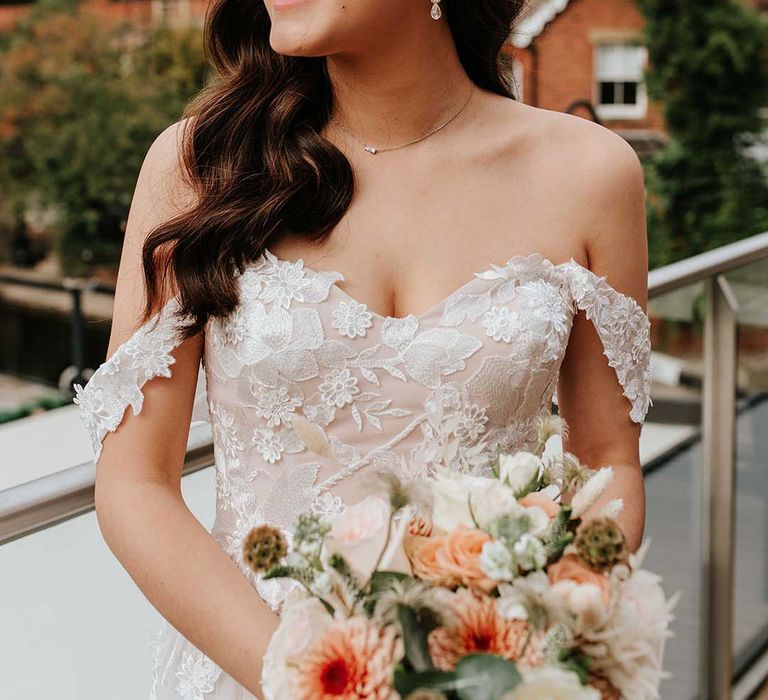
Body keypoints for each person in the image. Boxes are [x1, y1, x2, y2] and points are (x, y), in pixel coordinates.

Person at [73, 0, 652, 697]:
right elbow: (135, 484)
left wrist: (537, 640)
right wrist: (314, 681)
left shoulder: (590, 174)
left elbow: (607, 463)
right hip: (253, 668)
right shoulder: (202, 165)